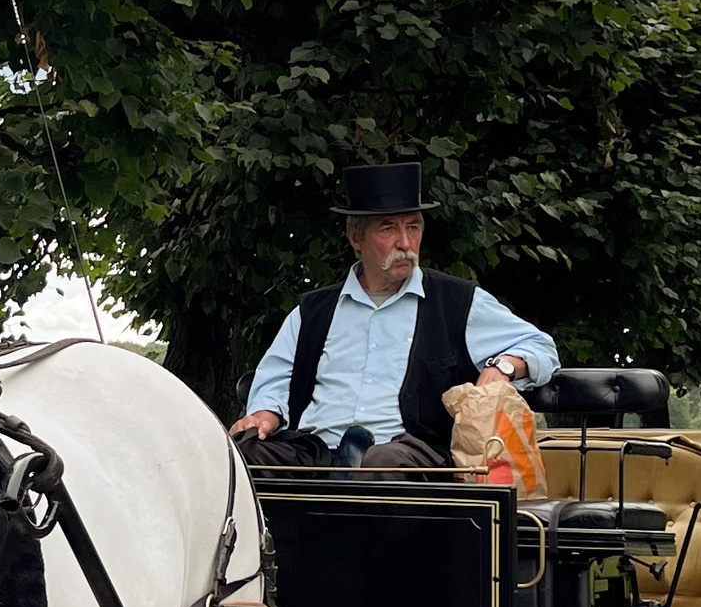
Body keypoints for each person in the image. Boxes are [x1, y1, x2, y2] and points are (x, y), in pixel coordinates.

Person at [229, 163, 558, 472]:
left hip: (408, 453)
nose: (405, 243)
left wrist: (503, 366)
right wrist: (265, 412)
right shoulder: (313, 311)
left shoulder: (457, 301)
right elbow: (275, 378)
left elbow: (540, 346)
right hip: (316, 453)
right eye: (389, 229)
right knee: (246, 453)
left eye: (412, 227)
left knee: (383, 463)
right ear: (355, 237)